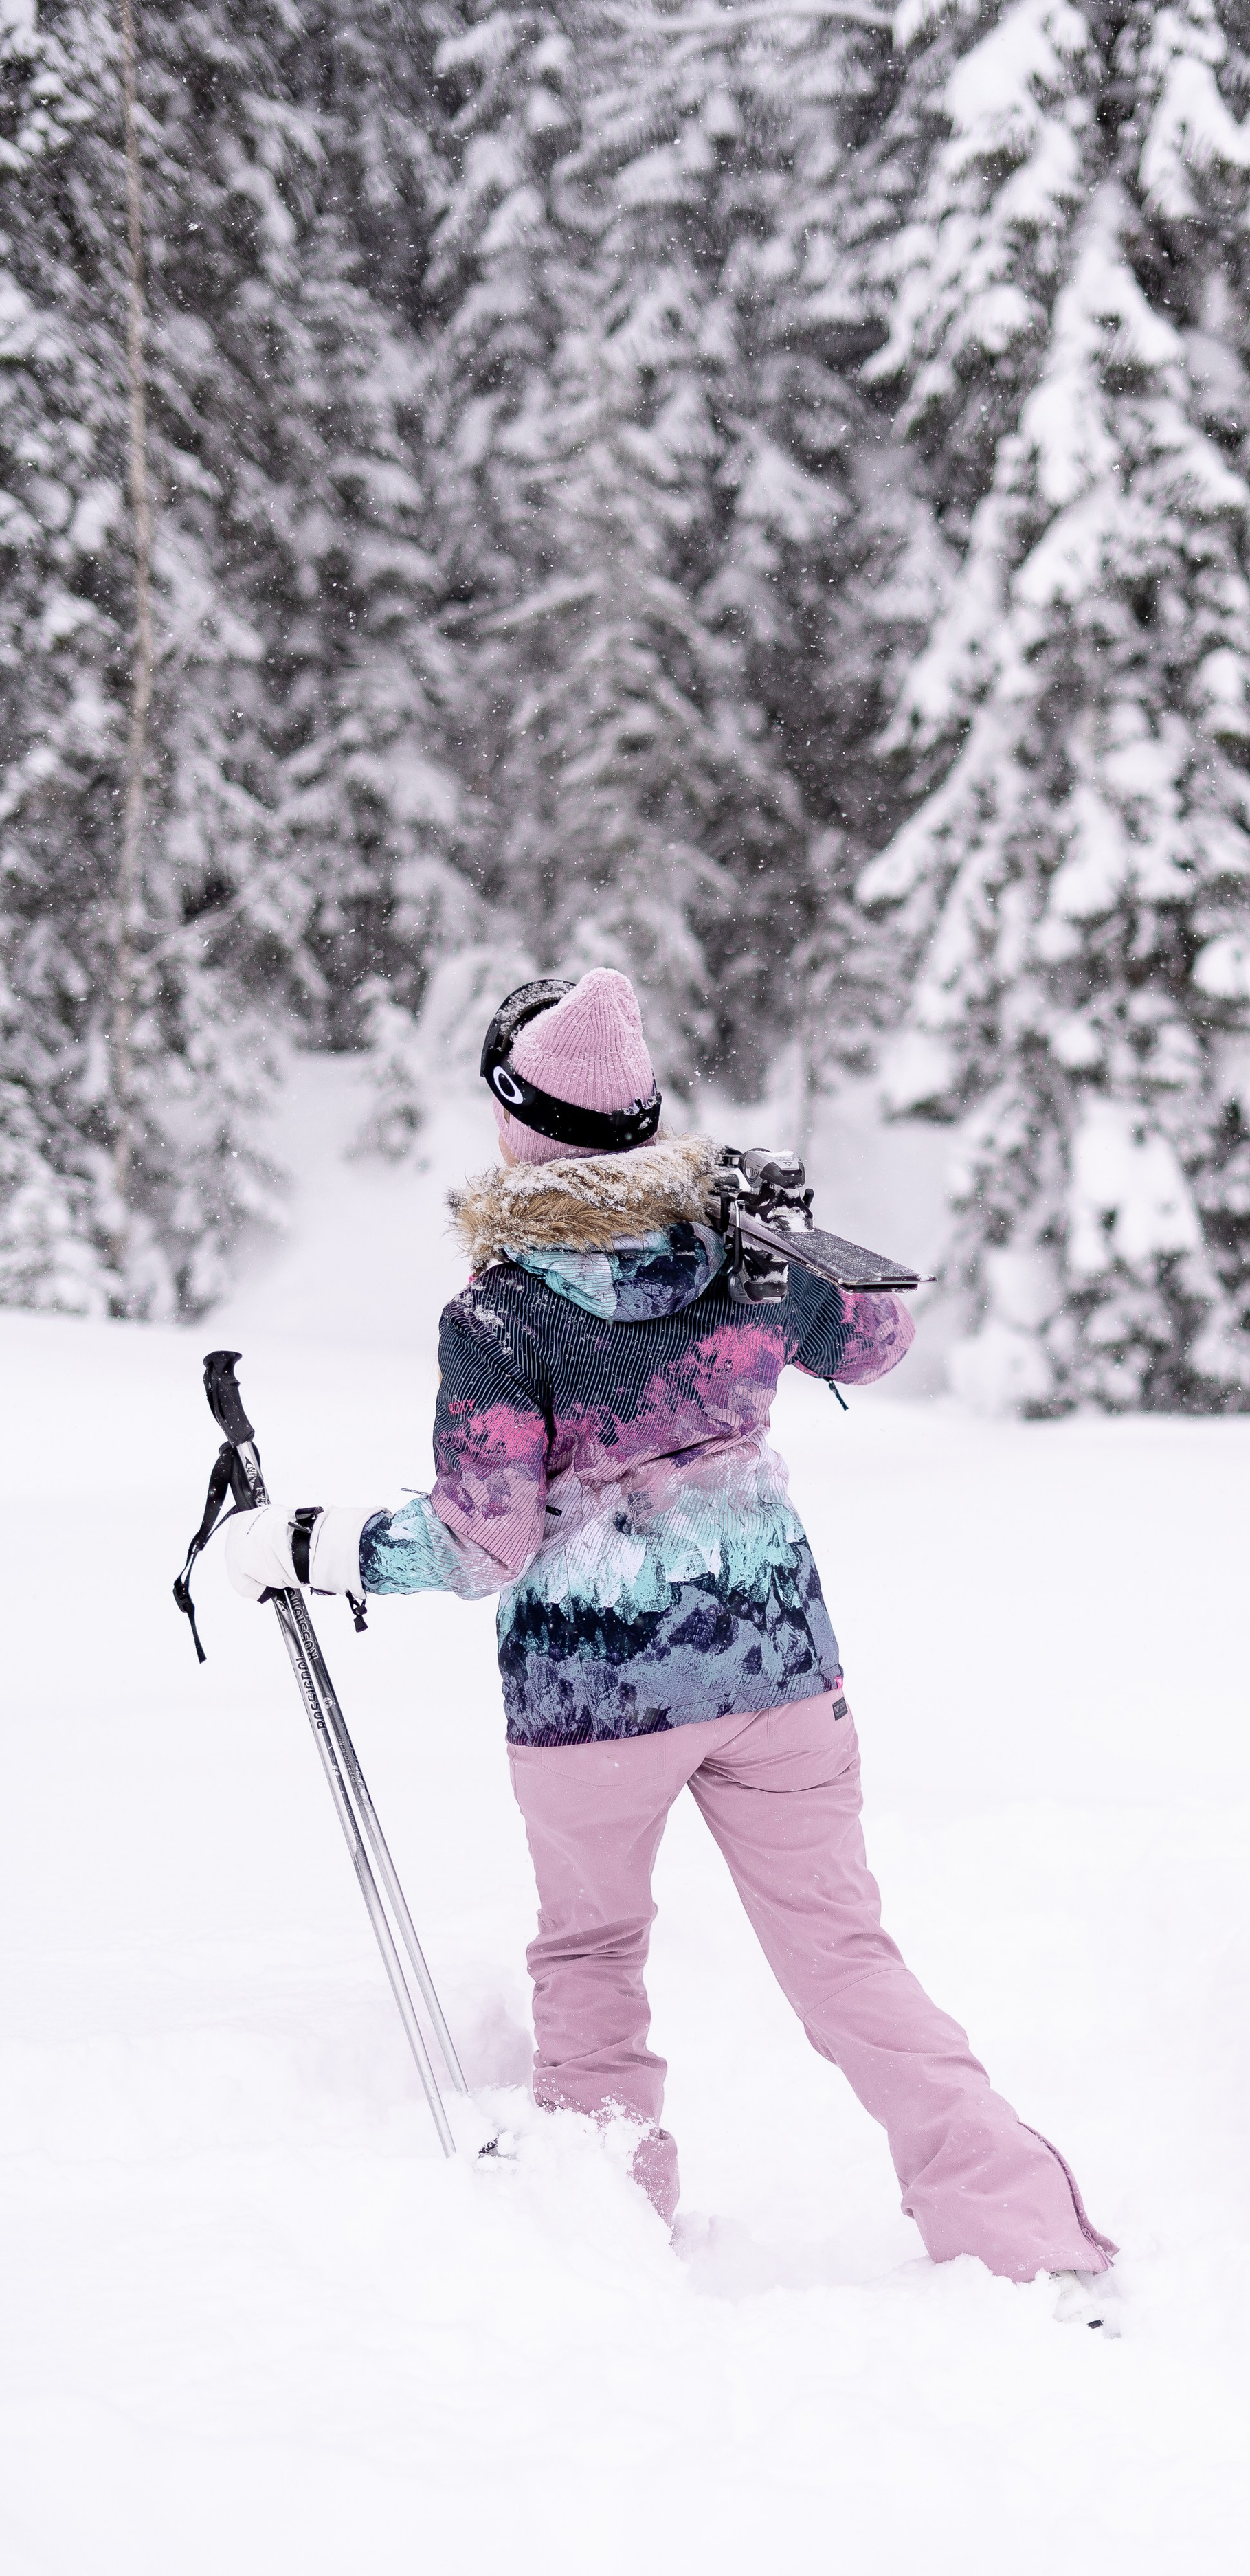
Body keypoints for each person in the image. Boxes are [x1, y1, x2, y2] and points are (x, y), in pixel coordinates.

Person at [225, 970, 1115, 2320]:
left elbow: (482, 1544)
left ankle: (605, 2239)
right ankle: (1021, 2232)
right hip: (773, 1671)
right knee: (845, 1959)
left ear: (519, 1125)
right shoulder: (739, 1258)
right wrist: (789, 1242)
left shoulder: (502, 1317)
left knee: (588, 1959)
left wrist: (319, 1548)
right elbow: (876, 1341)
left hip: (594, 1708)